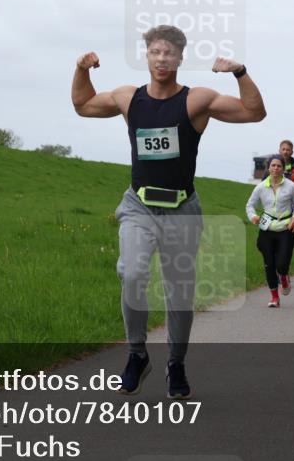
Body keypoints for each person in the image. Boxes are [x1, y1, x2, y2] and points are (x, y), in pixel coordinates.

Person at [72, 24, 266, 399]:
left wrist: (239, 72)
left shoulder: (196, 101)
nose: (162, 59)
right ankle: (136, 353)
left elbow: (253, 112)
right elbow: (83, 105)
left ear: (180, 58)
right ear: (147, 56)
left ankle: (175, 363)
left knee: (179, 293)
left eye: (169, 54)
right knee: (131, 273)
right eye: (155, 53)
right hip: (138, 205)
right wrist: (81, 69)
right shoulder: (129, 99)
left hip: (181, 209)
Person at [247, 155, 294, 308]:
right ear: (269, 168)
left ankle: (284, 276)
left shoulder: (291, 186)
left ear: (283, 169)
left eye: (279, 166)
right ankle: (274, 297)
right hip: (267, 229)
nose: (276, 168)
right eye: (273, 165)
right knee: (268, 264)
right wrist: (253, 217)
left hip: (286, 228)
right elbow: (249, 205)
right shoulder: (260, 187)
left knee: (282, 264)